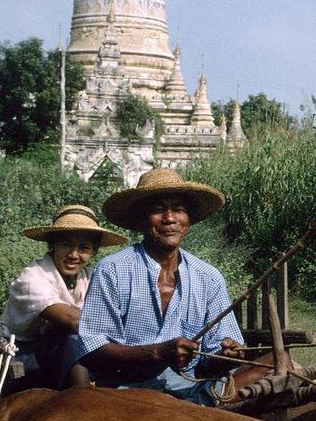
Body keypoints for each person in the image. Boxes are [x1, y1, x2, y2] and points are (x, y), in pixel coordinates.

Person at [72, 168, 272, 405]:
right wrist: (158, 353)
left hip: (193, 394)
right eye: (158, 210)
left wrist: (227, 356)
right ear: (142, 218)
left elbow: (211, 362)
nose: (169, 218)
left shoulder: (208, 277)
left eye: (178, 209)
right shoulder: (114, 269)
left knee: (275, 365)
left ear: (188, 219)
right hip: (127, 395)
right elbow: (92, 351)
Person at [1, 204, 127, 392]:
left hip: (66, 354)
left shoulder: (90, 277)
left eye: (83, 248)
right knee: (72, 335)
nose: (74, 255)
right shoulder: (32, 277)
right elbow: (73, 320)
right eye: (66, 245)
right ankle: (82, 402)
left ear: (93, 251)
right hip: (25, 355)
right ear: (53, 245)